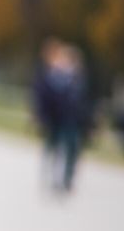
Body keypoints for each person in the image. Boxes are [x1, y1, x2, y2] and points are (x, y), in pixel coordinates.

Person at [32, 38, 92, 194]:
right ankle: (54, 178)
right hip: (55, 119)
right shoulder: (50, 76)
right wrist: (42, 117)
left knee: (72, 149)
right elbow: (42, 98)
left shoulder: (74, 77)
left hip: (71, 120)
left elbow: (82, 100)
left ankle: (66, 179)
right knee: (54, 148)